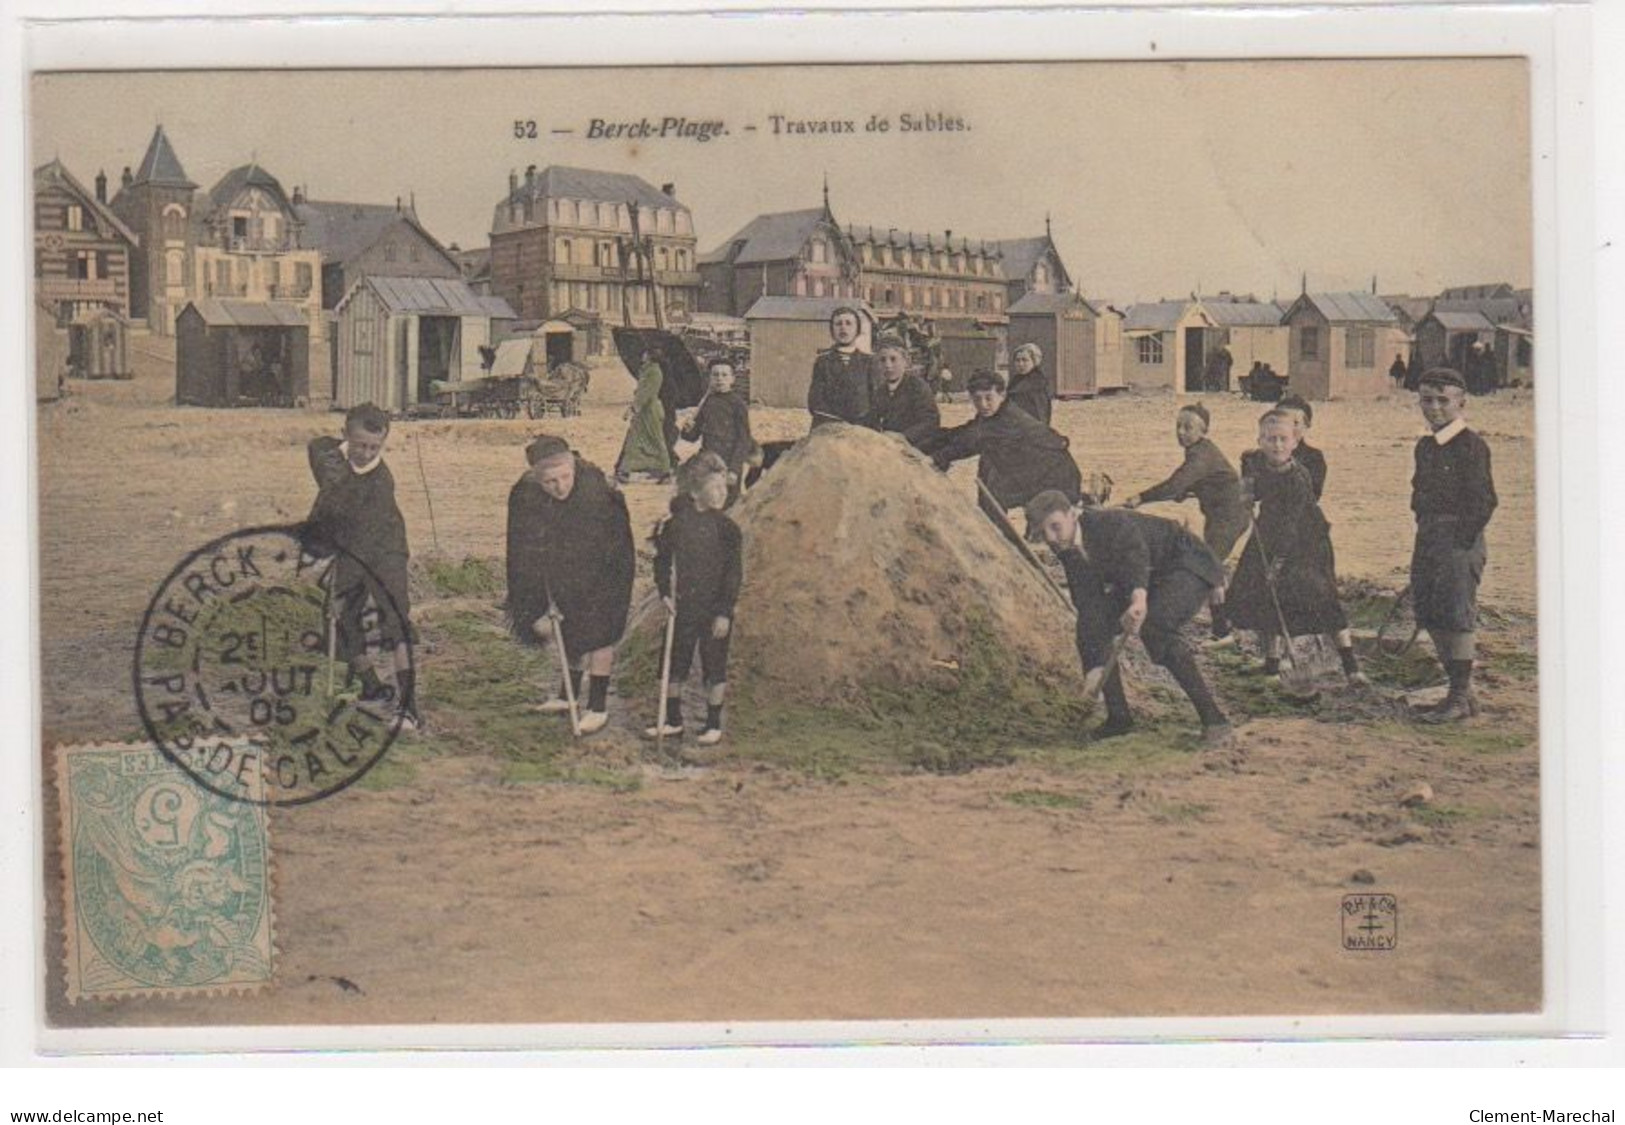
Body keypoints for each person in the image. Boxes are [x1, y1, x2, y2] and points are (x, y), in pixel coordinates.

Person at [1025, 489, 1232, 748]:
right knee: (1091, 628)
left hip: (1184, 563)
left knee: (1156, 627)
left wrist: (1138, 600)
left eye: (1055, 527)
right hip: (1148, 578)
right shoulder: (1064, 546)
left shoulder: (1108, 523)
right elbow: (1088, 601)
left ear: (1072, 514)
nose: (1051, 538)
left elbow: (1136, 556)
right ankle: (1119, 719)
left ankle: (1215, 721)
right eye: (1043, 533)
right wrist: (1094, 666)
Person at [505, 435, 636, 735]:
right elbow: (521, 553)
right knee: (569, 627)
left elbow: (612, 549)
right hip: (565, 572)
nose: (561, 486)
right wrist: (533, 607)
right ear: (536, 477)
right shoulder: (525, 497)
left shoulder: (596, 493)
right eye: (550, 481)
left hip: (608, 570)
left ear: (573, 465)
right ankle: (568, 696)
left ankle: (598, 706)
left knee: (601, 633)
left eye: (565, 477)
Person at [302, 403, 420, 731]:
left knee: (394, 618)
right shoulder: (329, 456)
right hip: (351, 548)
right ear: (346, 436)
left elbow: (346, 519)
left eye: (374, 447)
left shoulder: (381, 482)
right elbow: (317, 447)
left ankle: (409, 706)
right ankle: (371, 687)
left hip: (385, 550)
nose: (367, 453)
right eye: (360, 445)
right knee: (343, 616)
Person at [1228, 410, 1365, 685]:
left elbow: (1291, 526)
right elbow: (1248, 479)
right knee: (1264, 595)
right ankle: (1272, 665)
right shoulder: (1254, 459)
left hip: (1306, 539)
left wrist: (1277, 565)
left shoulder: (1298, 477)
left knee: (1320, 594)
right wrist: (1246, 492)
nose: (1276, 445)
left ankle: (1351, 667)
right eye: (1270, 439)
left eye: (1282, 439)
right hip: (1267, 531)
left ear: (1294, 443)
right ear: (1260, 440)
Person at [1408, 367, 1497, 721]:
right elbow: (1419, 495)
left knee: (1455, 616)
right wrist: (1427, 535)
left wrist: (1457, 545)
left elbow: (1484, 501)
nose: (1434, 407)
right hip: (1429, 538)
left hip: (1460, 541)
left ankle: (1458, 697)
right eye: (1427, 400)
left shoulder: (1472, 446)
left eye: (1443, 400)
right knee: (1429, 612)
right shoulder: (1425, 446)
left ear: (1462, 402)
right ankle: (1462, 694)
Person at [1121, 402, 1249, 641]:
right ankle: (1223, 626)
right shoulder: (1200, 452)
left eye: (1188, 427)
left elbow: (1175, 484)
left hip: (1231, 517)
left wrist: (1141, 498)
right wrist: (1187, 490)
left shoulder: (1202, 455)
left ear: (1204, 431)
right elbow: (1190, 483)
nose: (1181, 432)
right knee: (1213, 569)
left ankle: (1223, 631)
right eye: (1178, 426)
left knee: (1207, 567)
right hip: (1220, 516)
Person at [645, 452, 743, 746]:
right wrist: (665, 593)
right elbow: (662, 563)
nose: (722, 493)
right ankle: (673, 720)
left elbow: (733, 574)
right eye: (715, 488)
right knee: (674, 664)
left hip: (714, 610)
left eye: (724, 487)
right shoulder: (674, 526)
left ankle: (712, 723)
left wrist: (724, 612)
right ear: (695, 490)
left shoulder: (727, 529)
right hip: (683, 608)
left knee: (714, 665)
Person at [918, 369, 1083, 521]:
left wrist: (933, 459)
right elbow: (965, 432)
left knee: (995, 491)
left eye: (989, 398)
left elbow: (967, 444)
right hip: (1033, 469)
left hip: (1056, 475)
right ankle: (998, 529)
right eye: (977, 399)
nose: (983, 404)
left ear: (1002, 395)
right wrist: (929, 439)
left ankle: (997, 532)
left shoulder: (1008, 418)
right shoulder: (994, 414)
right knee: (991, 478)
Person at [681, 360, 754, 505]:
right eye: (715, 375)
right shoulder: (707, 402)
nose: (720, 379)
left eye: (724, 375)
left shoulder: (738, 404)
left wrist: (734, 469)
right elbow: (692, 437)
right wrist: (687, 428)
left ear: (732, 379)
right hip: (708, 460)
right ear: (710, 378)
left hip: (729, 461)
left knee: (728, 503)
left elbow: (744, 440)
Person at [865, 333, 940, 449]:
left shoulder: (917, 387)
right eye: (882, 360)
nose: (888, 365)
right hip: (891, 448)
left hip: (918, 447)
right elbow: (872, 419)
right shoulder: (880, 392)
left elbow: (931, 421)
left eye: (893, 359)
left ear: (905, 361)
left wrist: (903, 436)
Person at [807, 305, 879, 427]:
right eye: (838, 324)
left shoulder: (869, 362)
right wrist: (834, 423)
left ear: (857, 329)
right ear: (832, 330)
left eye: (849, 323)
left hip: (862, 428)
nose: (843, 328)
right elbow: (815, 402)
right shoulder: (823, 362)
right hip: (829, 427)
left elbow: (877, 400)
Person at [616, 347, 673, 483]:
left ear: (650, 356)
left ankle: (664, 472)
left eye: (645, 353)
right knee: (636, 440)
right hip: (645, 411)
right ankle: (625, 471)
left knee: (654, 440)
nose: (642, 355)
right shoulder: (648, 370)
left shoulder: (653, 371)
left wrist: (633, 409)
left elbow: (646, 393)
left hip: (649, 412)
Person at [1274, 393, 1327, 500]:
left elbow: (1312, 495)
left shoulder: (1313, 457)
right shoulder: (1262, 455)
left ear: (1306, 425)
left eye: (1295, 423)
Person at [1006, 342, 1053, 425]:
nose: (1020, 364)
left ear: (1034, 362)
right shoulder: (1015, 381)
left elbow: (1041, 414)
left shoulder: (1038, 384)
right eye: (1017, 360)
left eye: (1025, 360)